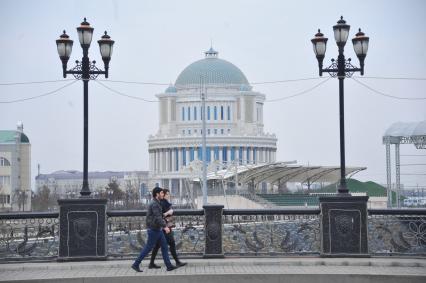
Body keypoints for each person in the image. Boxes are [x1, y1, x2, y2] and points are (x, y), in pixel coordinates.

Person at [131, 187, 177, 272]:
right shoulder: (155, 204)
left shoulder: (157, 203)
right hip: (154, 230)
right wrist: (165, 227)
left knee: (164, 247)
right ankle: (136, 264)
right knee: (148, 248)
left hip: (157, 229)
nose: (163, 194)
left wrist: (166, 215)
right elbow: (158, 218)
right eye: (162, 193)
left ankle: (169, 266)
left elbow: (159, 216)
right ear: (157, 194)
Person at [148, 188, 187, 269]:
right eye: (167, 194)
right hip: (164, 227)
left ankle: (151, 263)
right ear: (163, 194)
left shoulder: (164, 203)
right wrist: (168, 213)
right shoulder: (161, 203)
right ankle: (176, 262)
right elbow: (159, 215)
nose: (169, 196)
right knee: (171, 243)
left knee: (157, 245)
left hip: (165, 226)